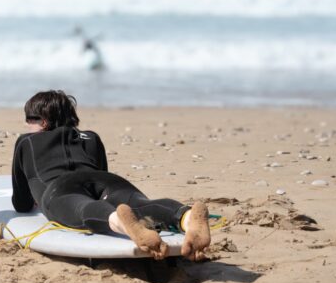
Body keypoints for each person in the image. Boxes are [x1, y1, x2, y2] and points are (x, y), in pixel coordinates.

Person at [11, 90, 210, 261]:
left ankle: (121, 222)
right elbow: (100, 175)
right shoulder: (91, 137)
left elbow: (21, 203)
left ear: (42, 122)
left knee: (83, 207)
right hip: (107, 181)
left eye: (29, 120)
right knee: (140, 203)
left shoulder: (26, 141)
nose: (27, 125)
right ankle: (187, 216)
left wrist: (34, 199)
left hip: (60, 188)